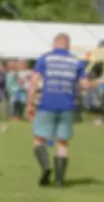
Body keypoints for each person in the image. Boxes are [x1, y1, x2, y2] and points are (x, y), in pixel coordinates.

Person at [28, 32, 86, 187]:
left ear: (54, 44)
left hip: (47, 103)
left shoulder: (45, 58)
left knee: (39, 139)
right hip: (67, 105)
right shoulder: (76, 61)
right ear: (68, 45)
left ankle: (46, 166)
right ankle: (59, 180)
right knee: (62, 143)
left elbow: (34, 82)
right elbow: (85, 85)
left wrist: (30, 103)